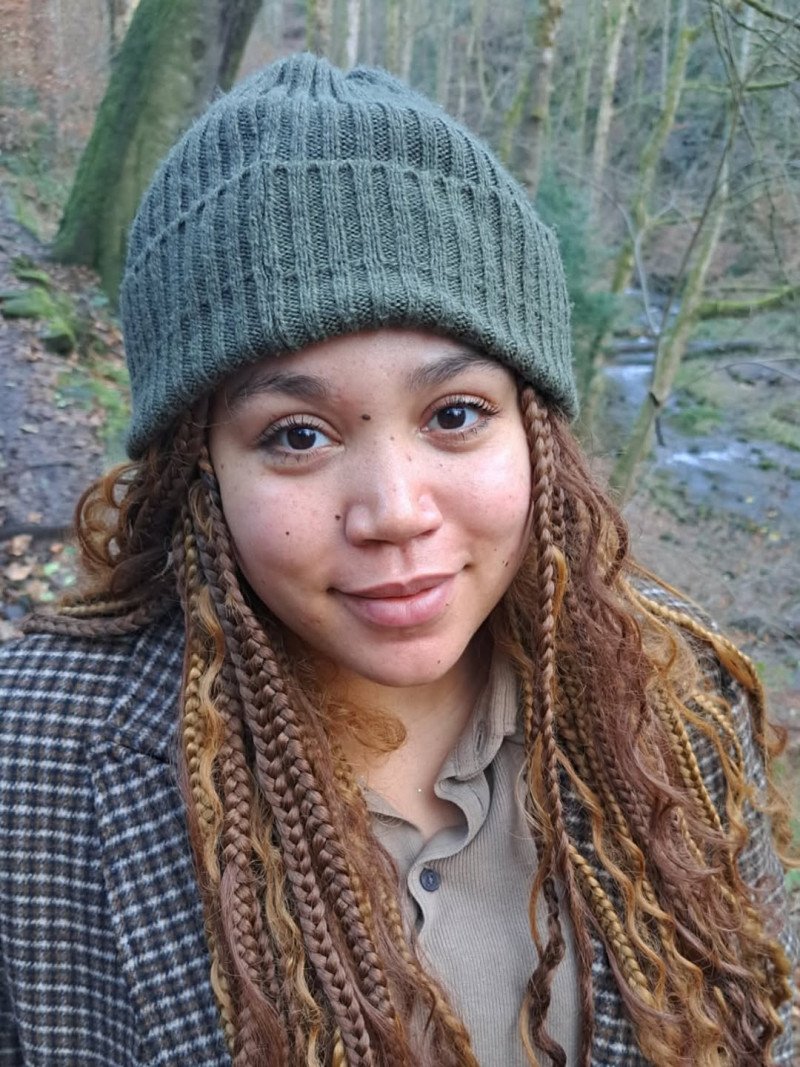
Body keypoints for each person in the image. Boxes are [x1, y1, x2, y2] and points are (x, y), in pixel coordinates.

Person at [0, 53, 795, 1067]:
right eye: (296, 435)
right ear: (197, 471)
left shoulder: (676, 701)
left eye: (454, 415)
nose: (395, 512)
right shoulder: (33, 755)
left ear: (535, 434)